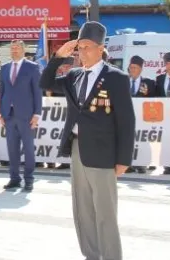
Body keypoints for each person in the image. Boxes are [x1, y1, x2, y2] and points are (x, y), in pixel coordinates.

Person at [40, 21, 135, 260]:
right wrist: (57, 57)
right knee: (82, 210)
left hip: (103, 153)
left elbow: (127, 121)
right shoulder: (74, 75)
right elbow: (45, 83)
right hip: (77, 148)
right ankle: (91, 255)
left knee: (105, 212)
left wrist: (124, 159)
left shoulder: (116, 77)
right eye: (79, 47)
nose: (82, 52)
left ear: (101, 48)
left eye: (87, 47)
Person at [0, 40, 42, 191]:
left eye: (17, 48)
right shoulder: (4, 68)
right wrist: (1, 113)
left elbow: (37, 92)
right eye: (12, 48)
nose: (14, 50)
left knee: (29, 148)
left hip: (26, 115)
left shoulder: (32, 67)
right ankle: (14, 178)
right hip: (9, 115)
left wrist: (37, 114)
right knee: (12, 149)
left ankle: (29, 179)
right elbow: (2, 92)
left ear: (24, 50)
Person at [127, 55, 156, 173]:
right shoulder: (123, 81)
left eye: (135, 67)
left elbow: (154, 99)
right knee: (128, 141)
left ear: (141, 69)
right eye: (131, 67)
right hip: (127, 118)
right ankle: (128, 164)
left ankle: (142, 164)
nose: (133, 70)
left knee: (143, 142)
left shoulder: (148, 83)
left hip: (143, 119)